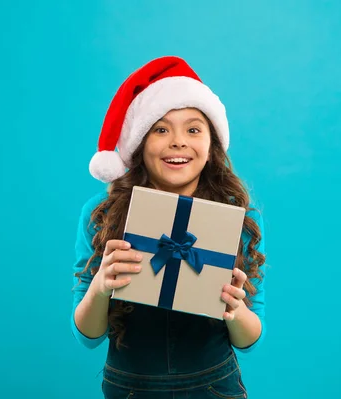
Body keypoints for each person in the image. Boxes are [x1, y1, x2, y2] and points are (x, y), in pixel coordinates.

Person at [71, 56, 267, 399]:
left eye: (193, 129)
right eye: (160, 129)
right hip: (130, 388)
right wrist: (101, 286)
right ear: (139, 143)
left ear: (212, 146)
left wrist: (236, 311)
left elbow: (249, 340)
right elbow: (88, 337)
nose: (177, 141)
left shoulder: (238, 217)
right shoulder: (101, 215)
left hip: (213, 386)